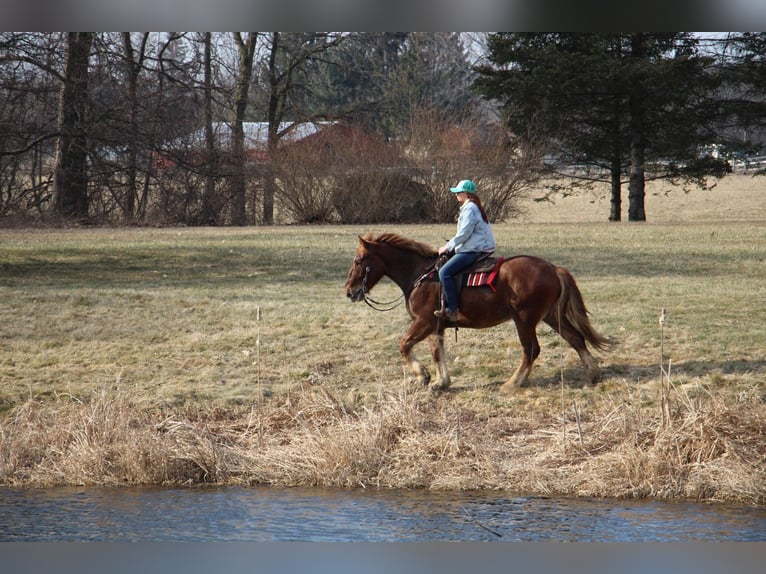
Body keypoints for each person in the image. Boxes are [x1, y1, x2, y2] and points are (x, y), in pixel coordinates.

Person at [434, 179, 495, 322]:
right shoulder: (473, 206)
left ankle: (452, 309)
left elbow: (464, 233)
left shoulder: (469, 208)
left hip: (473, 250)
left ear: (467, 194)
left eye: (458, 192)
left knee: (444, 272)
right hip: (473, 246)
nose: (456, 195)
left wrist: (448, 247)